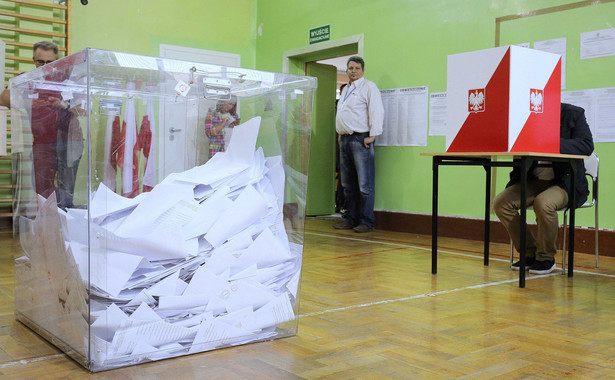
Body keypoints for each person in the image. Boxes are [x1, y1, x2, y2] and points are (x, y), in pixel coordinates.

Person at [493, 103, 594, 274]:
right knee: (500, 203)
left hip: (565, 182)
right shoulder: (525, 116)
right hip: (534, 181)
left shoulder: (573, 114)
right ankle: (529, 252)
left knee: (544, 203)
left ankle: (546, 257)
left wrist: (549, 143)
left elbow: (586, 145)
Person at [333, 56, 384, 233]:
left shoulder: (369, 87)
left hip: (360, 139)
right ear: (346, 70)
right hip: (344, 140)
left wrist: (373, 135)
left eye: (357, 68)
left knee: (364, 185)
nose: (353, 71)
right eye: (350, 68)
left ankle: (366, 221)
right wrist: (340, 135)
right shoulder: (346, 89)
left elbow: (376, 111)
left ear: (363, 70)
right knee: (347, 184)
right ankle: (350, 219)